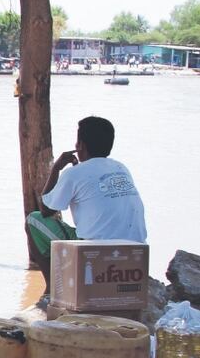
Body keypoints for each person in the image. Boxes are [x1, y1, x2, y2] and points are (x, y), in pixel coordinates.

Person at [25, 116, 147, 292]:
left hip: (94, 251)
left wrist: (56, 169)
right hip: (136, 249)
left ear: (80, 145)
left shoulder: (74, 173)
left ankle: (53, 287)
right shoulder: (121, 168)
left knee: (33, 220)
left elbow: (45, 210)